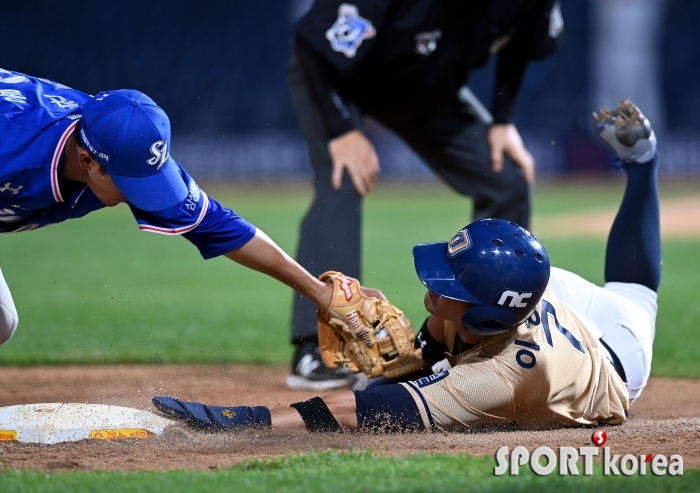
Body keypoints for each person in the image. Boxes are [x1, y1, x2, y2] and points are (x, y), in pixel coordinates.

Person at [153, 100, 660, 432]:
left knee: (636, 294)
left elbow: (360, 414)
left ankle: (644, 163)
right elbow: (424, 358)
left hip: (616, 355)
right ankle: (641, 168)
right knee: (446, 333)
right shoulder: (481, 303)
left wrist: (251, 419)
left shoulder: (496, 381)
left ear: (483, 315)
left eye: (447, 284)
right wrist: (406, 361)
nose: (431, 287)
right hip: (548, 304)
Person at [286, 0, 565, 390]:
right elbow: (311, 45)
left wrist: (503, 121)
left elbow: (520, 41)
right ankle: (316, 346)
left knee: (506, 179)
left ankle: (484, 334)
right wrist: (341, 131)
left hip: (425, 89)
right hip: (336, 81)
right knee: (343, 178)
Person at [0, 68, 383, 348]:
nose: (142, 196)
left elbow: (220, 226)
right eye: (131, 183)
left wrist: (319, 292)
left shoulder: (119, 139)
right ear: (87, 163)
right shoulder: (14, 148)